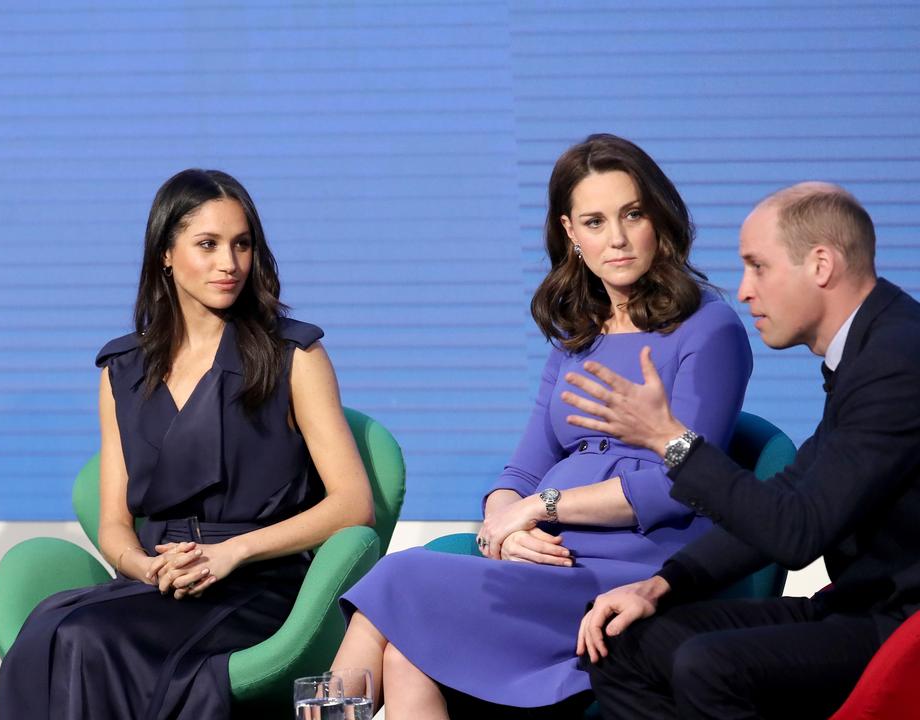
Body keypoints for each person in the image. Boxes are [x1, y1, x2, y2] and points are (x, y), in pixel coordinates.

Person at [332, 133, 753, 717]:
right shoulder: (578, 337)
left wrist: (540, 507)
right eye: (596, 221)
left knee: (398, 578)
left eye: (633, 214)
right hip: (549, 559)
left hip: (634, 569)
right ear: (571, 234)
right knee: (406, 654)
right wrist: (505, 522)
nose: (619, 238)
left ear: (660, 218)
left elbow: (678, 480)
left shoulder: (710, 329)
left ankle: (323, 711)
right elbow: (524, 467)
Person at [0, 169, 374, 720]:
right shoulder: (121, 370)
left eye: (241, 244)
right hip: (161, 581)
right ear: (166, 254)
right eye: (207, 244)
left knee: (86, 637)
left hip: (260, 582)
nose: (229, 263)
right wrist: (147, 569)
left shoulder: (296, 356)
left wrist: (232, 553)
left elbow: (352, 502)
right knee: (52, 628)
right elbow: (115, 525)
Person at [571, 183, 920, 718]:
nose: (745, 289)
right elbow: (790, 491)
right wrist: (662, 584)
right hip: (856, 611)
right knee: (621, 647)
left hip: (899, 631)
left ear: (821, 264)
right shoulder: (869, 350)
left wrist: (671, 441)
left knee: (708, 666)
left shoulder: (898, 360)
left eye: (758, 267)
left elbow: (796, 531)